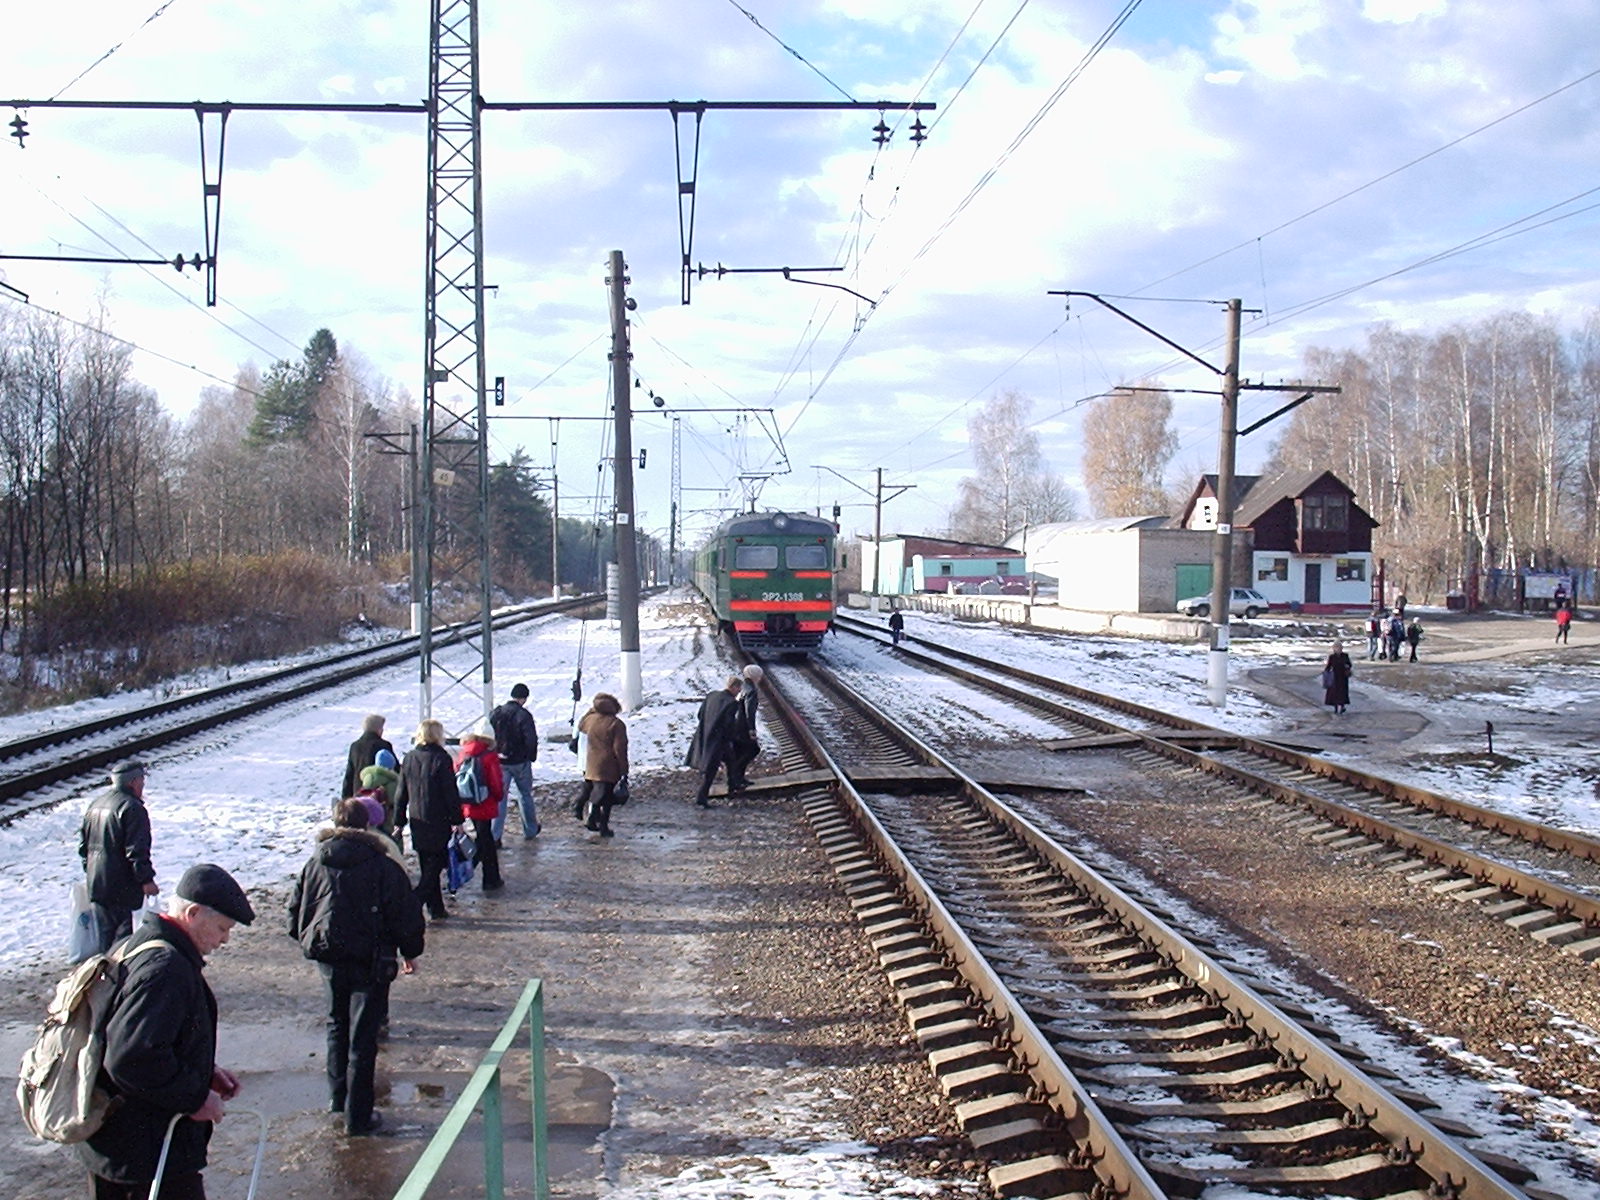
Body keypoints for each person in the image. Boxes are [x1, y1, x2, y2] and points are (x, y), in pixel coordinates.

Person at [76, 864, 255, 1200]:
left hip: (124, 1146)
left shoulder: (142, 944)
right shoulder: (166, 968)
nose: (225, 939)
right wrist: (195, 1096)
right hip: (145, 1153)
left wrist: (202, 1072)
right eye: (221, 928)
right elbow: (131, 1057)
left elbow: (147, 1038)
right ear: (193, 913)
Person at [288, 799, 425, 1136]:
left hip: (329, 956)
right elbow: (405, 914)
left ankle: (337, 1099)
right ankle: (358, 1116)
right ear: (366, 826)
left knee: (336, 1025)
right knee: (362, 1039)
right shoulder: (383, 865)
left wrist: (309, 939)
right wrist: (410, 950)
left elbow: (295, 912)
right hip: (371, 960)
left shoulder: (314, 864)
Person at [78, 761, 160, 956]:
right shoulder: (132, 808)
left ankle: (106, 978)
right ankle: (121, 980)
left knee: (105, 941)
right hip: (123, 886)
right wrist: (146, 880)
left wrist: (90, 872)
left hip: (97, 884)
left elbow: (83, 848)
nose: (143, 785)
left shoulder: (95, 805)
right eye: (141, 780)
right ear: (132, 782)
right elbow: (137, 850)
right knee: (124, 942)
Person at [394, 719, 462, 921]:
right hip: (438, 819)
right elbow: (450, 792)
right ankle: (414, 903)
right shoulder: (442, 758)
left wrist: (399, 819)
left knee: (426, 863)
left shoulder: (410, 758)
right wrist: (457, 819)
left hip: (417, 818)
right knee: (436, 864)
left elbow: (401, 792)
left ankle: (436, 908)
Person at [454, 722, 506, 891]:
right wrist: (499, 796)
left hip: (467, 800)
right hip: (484, 802)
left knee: (484, 838)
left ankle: (483, 874)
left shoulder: (464, 753)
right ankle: (487, 877)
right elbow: (496, 782)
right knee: (486, 841)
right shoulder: (489, 756)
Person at [572, 693, 628, 837]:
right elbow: (619, 749)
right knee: (607, 797)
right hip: (609, 766)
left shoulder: (590, 720)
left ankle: (589, 814)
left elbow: (581, 726)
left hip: (591, 763)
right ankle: (602, 825)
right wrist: (624, 770)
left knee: (594, 790)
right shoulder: (616, 724)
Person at [490, 683, 541, 840]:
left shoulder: (496, 713)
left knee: (500, 798)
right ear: (524, 698)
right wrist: (530, 757)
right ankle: (530, 829)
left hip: (500, 762)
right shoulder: (524, 715)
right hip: (520, 762)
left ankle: (495, 835)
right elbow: (531, 740)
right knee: (525, 795)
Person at [686, 676, 743, 808]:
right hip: (718, 741)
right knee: (711, 770)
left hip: (706, 735)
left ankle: (733, 783)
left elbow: (700, 714)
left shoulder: (712, 695)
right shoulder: (732, 703)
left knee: (731, 759)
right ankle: (702, 797)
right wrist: (733, 738)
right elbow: (728, 725)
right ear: (734, 687)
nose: (739, 692)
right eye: (738, 689)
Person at [726, 664, 765, 792]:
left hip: (736, 725)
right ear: (755, 676)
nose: (760, 678)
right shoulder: (751, 690)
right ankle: (736, 775)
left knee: (739, 752)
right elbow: (750, 711)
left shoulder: (743, 687)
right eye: (759, 675)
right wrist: (752, 730)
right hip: (743, 727)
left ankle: (737, 779)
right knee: (753, 749)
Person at [341, 714, 395, 801]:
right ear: (378, 729)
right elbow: (393, 770)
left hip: (358, 793)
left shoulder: (355, 746)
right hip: (378, 795)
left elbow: (349, 774)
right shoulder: (383, 745)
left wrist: (345, 798)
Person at [355, 747, 401, 841]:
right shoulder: (393, 781)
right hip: (387, 819)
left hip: (370, 818)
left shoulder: (368, 778)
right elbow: (396, 801)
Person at [1323, 640, 1353, 714]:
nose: (1338, 649)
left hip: (1343, 677)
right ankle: (1336, 708)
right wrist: (1326, 673)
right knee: (1335, 693)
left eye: (1339, 647)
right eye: (1336, 648)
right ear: (1334, 649)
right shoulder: (1332, 657)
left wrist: (1347, 666)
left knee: (1343, 693)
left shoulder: (1345, 655)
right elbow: (1328, 666)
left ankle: (1342, 707)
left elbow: (1349, 664)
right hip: (1335, 677)